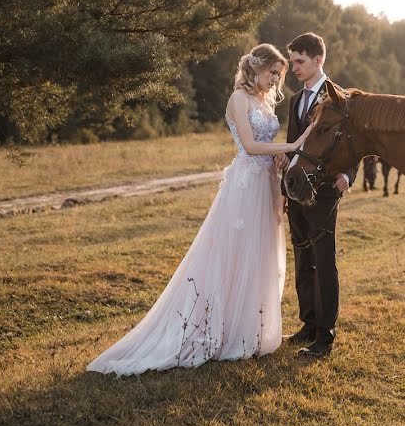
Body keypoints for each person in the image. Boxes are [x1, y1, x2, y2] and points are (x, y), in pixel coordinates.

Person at [87, 44, 312, 375]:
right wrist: (291, 145)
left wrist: (280, 161)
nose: (276, 79)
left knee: (259, 255)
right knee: (234, 253)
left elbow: (265, 150)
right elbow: (249, 146)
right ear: (254, 69)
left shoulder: (265, 101)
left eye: (279, 74)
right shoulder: (238, 100)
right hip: (245, 187)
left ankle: (249, 329)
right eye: (271, 73)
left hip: (265, 184)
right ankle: (219, 329)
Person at [275, 32, 357, 358]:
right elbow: (294, 150)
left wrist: (348, 176)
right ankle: (307, 324)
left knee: (324, 262)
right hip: (296, 192)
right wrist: (284, 189)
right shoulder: (296, 100)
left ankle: (325, 335)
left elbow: (353, 144)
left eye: (299, 61)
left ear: (317, 60)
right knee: (303, 259)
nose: (293, 67)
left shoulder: (339, 97)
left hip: (323, 192)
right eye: (293, 61)